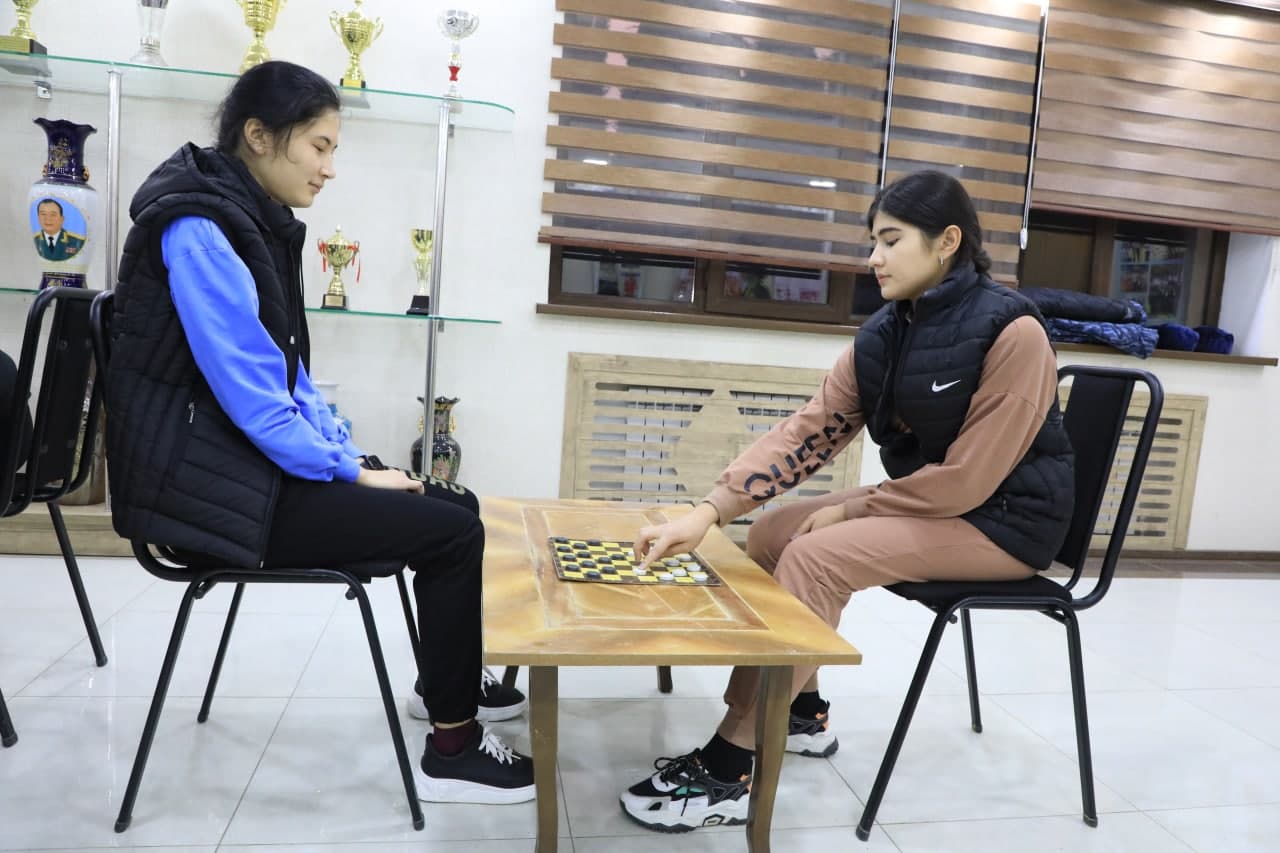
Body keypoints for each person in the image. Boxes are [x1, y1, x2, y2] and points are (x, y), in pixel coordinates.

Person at [103, 60, 532, 804]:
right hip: (206, 496)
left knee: (454, 504)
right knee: (454, 533)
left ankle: (446, 685)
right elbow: (253, 397)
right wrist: (353, 473)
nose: (330, 168)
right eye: (320, 147)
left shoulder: (248, 216)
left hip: (239, 471)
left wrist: (345, 453)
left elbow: (286, 374)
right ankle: (454, 746)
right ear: (258, 135)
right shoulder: (199, 228)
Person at [619, 170, 1075, 832]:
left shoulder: (1015, 332)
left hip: (1005, 521)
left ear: (947, 241)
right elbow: (808, 432)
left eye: (891, 240)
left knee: (818, 556)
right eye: (873, 242)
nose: (873, 258)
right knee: (774, 533)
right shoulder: (888, 332)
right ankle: (803, 713)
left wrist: (851, 510)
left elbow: (969, 480)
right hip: (940, 502)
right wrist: (710, 511)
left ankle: (734, 758)